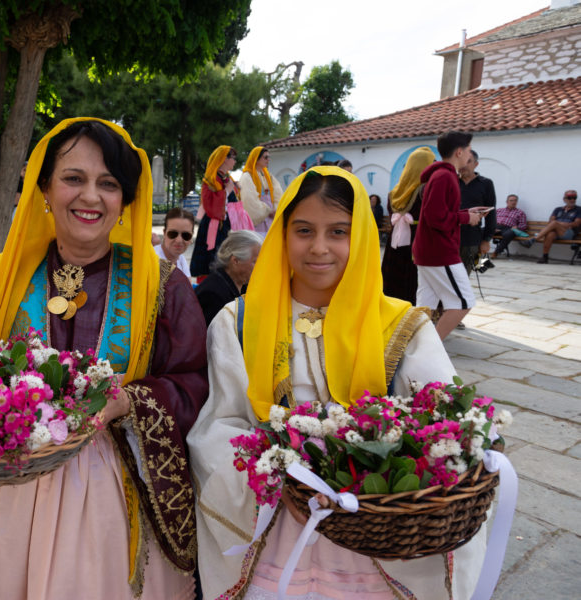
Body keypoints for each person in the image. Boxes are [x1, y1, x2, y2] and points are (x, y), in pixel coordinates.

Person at [0, 119, 208, 600]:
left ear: (125, 202)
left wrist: (127, 402)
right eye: (73, 178)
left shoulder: (162, 286)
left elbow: (193, 383)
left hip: (113, 497)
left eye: (109, 184)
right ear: (45, 190)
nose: (90, 197)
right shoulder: (5, 275)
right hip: (4, 488)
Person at [187, 167, 487, 600]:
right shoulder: (237, 322)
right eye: (304, 230)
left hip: (377, 538)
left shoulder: (401, 324)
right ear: (281, 235)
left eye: (339, 232)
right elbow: (221, 423)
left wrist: (379, 477)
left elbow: (441, 421)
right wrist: (278, 478)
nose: (320, 248)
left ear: (362, 236)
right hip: (275, 525)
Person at [413, 131, 483, 340]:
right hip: (440, 251)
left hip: (430, 249)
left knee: (425, 306)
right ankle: (430, 347)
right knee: (463, 302)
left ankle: (411, 347)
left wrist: (466, 214)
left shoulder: (442, 175)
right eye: (469, 149)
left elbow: (438, 212)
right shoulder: (444, 176)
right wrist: (465, 219)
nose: (470, 154)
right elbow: (435, 218)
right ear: (460, 152)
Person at [380, 146, 436, 304]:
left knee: (393, 274)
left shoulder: (395, 191)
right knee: (413, 277)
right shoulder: (426, 189)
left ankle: (391, 305)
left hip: (395, 241)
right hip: (417, 239)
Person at [195, 230, 262, 326]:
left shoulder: (244, 286)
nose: (261, 267)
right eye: (256, 262)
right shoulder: (213, 294)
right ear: (235, 261)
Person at [191, 146, 238, 277]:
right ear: (224, 159)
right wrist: (227, 191)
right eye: (233, 158)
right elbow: (209, 205)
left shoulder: (227, 179)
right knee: (210, 259)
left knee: (222, 258)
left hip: (224, 226)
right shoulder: (210, 180)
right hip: (212, 226)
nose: (235, 161)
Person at [458, 150, 496, 273]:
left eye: (468, 161)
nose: (463, 165)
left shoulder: (486, 184)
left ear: (476, 164)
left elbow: (491, 214)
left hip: (472, 238)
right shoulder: (450, 182)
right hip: (450, 236)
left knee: (464, 275)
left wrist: (486, 240)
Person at [519, 190, 580, 263]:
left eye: (574, 198)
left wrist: (559, 224)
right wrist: (559, 224)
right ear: (564, 199)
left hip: (569, 233)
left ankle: (533, 240)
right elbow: (550, 221)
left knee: (555, 223)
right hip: (556, 231)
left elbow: (576, 224)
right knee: (550, 234)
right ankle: (545, 257)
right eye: (570, 198)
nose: (572, 200)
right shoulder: (558, 209)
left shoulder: (579, 209)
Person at [240, 147, 283, 237]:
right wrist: (267, 211)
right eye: (265, 157)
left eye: (269, 157)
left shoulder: (268, 176)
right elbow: (249, 200)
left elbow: (277, 194)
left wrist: (275, 209)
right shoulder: (247, 176)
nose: (268, 160)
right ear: (256, 158)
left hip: (270, 219)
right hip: (258, 223)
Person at [154, 206, 195, 277]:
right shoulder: (153, 260)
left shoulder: (181, 260)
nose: (179, 240)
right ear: (164, 233)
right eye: (173, 234)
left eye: (186, 235)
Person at [490, 194, 528, 259]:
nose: (513, 202)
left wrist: (517, 227)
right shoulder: (499, 210)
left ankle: (496, 252)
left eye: (515, 200)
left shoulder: (520, 213)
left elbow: (523, 225)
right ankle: (476, 250)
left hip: (508, 228)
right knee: (481, 231)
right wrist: (493, 226)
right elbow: (491, 219)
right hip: (496, 226)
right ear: (507, 202)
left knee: (509, 234)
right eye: (511, 200)